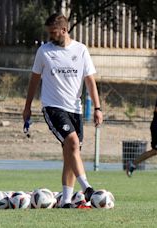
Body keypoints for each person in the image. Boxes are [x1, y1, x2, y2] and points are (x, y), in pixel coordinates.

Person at [22, 13, 103, 208]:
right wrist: (27, 107)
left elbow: (90, 81)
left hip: (75, 109)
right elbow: (34, 80)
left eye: (53, 32)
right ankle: (87, 189)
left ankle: (66, 200)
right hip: (53, 107)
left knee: (71, 152)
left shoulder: (81, 50)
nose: (50, 35)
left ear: (64, 30)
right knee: (73, 143)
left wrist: (98, 107)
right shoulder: (44, 51)